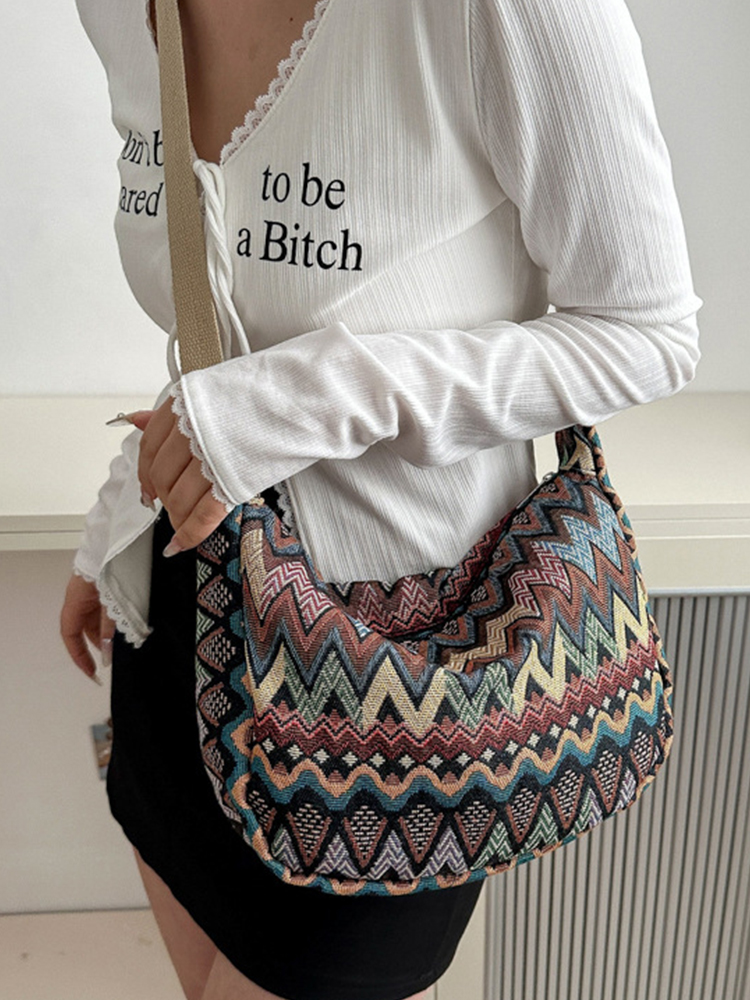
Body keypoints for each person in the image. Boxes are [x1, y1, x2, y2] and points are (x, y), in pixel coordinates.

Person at [60, 1, 702, 998]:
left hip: (399, 696)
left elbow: (646, 332)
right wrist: (119, 517)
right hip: (176, 627)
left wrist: (311, 397)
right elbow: (214, 320)